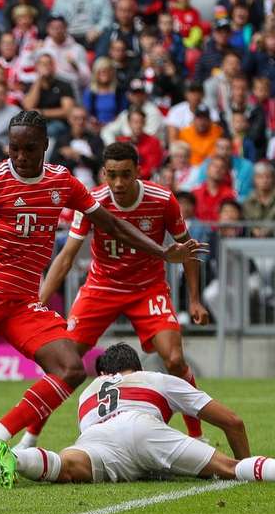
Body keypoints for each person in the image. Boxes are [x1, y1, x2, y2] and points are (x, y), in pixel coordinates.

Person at [0, 111, 206, 488]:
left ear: (45, 146)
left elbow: (111, 223)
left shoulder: (63, 182)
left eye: (29, 148)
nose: (21, 156)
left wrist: (163, 252)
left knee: (71, 368)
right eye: (14, 148)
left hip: (22, 301)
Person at [35, 141, 209, 448]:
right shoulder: (92, 202)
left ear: (138, 172)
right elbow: (65, 257)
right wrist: (39, 303)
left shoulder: (162, 200)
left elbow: (188, 251)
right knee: (64, 361)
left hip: (148, 288)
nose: (118, 183)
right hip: (101, 287)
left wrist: (194, 299)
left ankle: (198, 436)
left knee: (174, 358)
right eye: (112, 175)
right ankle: (30, 437)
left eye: (126, 175)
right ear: (103, 173)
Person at [0, 342, 275, 486]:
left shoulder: (88, 392)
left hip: (97, 440)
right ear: (135, 365)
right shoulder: (156, 377)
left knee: (64, 467)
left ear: (104, 374)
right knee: (228, 469)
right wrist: (244, 463)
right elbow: (232, 421)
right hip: (145, 431)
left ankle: (14, 457)